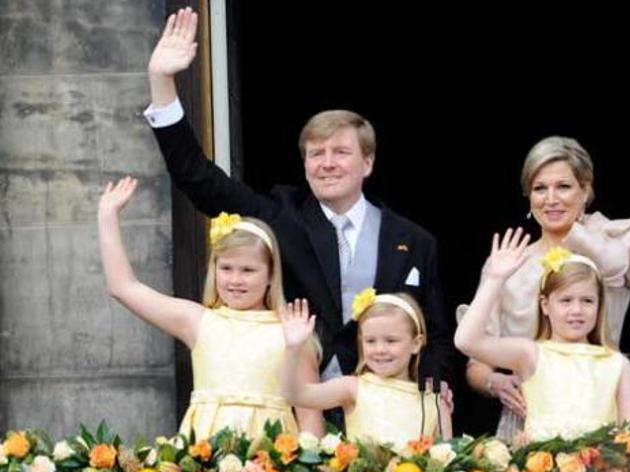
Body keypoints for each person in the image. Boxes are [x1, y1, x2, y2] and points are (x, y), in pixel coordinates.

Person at [143, 8, 453, 392]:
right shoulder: (280, 217)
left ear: (367, 162)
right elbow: (198, 179)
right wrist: (162, 84)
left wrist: (433, 393)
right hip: (296, 407)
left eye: (340, 152)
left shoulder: (414, 241)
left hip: (385, 412)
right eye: (315, 154)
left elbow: (436, 337)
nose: (326, 164)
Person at [461, 70, 630, 440]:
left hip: (601, 422)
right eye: (540, 188)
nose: (551, 198)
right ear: (528, 197)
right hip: (526, 428)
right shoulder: (509, 261)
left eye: (563, 186)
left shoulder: (611, 243)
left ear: (584, 191)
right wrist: (496, 383)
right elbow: (475, 359)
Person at [97, 177, 323, 439]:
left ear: (272, 274)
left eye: (248, 270)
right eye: (226, 268)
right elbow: (124, 287)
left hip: (271, 467)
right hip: (203, 466)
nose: (235, 280)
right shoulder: (198, 320)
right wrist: (107, 216)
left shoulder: (291, 332)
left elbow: (310, 423)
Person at [456, 229, 630, 441]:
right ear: (545, 305)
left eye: (587, 301)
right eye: (566, 301)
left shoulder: (617, 364)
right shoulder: (530, 353)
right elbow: (466, 341)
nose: (577, 310)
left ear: (599, 305)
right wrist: (495, 279)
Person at [280, 291, 453, 449]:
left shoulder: (434, 401)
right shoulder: (352, 388)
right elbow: (294, 395)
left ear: (416, 343)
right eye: (371, 341)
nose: (380, 349)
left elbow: (446, 460)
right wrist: (293, 349)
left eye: (391, 341)